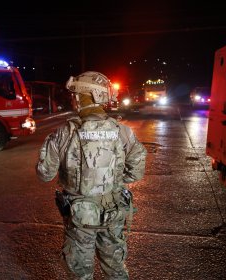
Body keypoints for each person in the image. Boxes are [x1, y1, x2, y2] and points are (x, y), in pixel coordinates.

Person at [36, 71, 147, 279]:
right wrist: (112, 182)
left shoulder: (64, 133)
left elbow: (44, 174)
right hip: (114, 210)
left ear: (85, 96)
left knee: (81, 272)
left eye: (76, 95)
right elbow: (137, 170)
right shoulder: (122, 131)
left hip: (80, 217)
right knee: (115, 269)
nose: (73, 99)